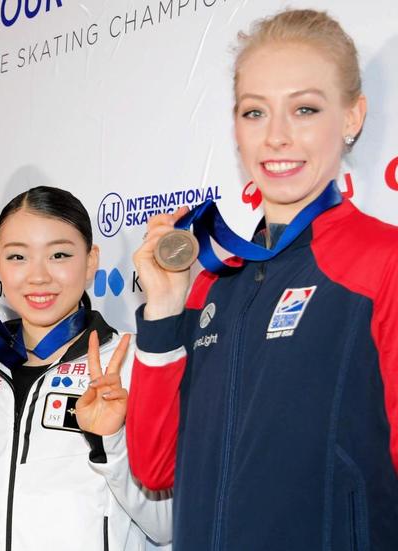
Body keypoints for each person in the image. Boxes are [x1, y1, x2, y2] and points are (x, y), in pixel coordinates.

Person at [126, 8, 398, 550]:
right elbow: (155, 468)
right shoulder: (212, 282)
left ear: (352, 118)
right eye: (254, 112)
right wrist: (162, 310)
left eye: (304, 109)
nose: (276, 136)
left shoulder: (383, 263)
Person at [0, 186, 172, 550]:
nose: (38, 276)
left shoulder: (131, 364)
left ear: (90, 261)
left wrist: (110, 444)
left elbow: (164, 525)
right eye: (18, 257)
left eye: (59, 255)